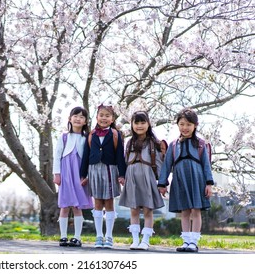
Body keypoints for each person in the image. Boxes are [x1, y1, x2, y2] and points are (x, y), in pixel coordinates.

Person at [158, 108, 214, 253]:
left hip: (197, 180)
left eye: (188, 124)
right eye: (182, 124)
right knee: (184, 211)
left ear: (195, 125)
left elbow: (206, 165)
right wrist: (162, 183)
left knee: (196, 211)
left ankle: (194, 242)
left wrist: (209, 184)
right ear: (178, 125)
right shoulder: (173, 145)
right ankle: (186, 241)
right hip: (180, 180)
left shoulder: (201, 144)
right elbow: (166, 165)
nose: (185, 128)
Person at [80, 104, 126, 249]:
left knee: (109, 202)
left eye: (107, 116)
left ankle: (109, 237)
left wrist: (122, 174)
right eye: (101, 115)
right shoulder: (91, 134)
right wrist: (83, 174)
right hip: (93, 169)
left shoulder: (115, 134)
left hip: (109, 169)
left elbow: (120, 155)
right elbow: (85, 155)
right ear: (97, 117)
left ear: (112, 118)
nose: (104, 118)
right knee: (97, 203)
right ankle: (99, 236)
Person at [118, 111, 166, 250]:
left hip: (147, 177)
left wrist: (162, 183)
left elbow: (160, 164)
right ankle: (134, 240)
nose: (139, 126)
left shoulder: (154, 143)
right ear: (132, 124)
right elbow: (125, 161)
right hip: (132, 176)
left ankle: (145, 240)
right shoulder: (129, 142)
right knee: (133, 210)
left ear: (148, 124)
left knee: (147, 210)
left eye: (142, 122)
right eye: (136, 123)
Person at [53, 106, 94, 247]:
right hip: (65, 173)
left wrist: (86, 175)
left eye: (81, 117)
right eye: (75, 116)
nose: (78, 118)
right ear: (70, 119)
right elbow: (57, 156)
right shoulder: (64, 137)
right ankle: (63, 236)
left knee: (77, 207)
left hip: (79, 174)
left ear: (85, 121)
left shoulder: (87, 138)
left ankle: (77, 237)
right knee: (64, 206)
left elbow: (89, 158)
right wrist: (57, 174)